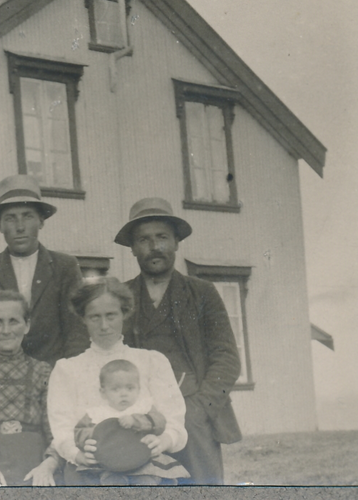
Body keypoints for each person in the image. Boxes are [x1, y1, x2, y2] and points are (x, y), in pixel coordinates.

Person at [115, 197, 243, 484]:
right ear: (133, 248)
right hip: (138, 418)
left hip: (193, 416)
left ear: (176, 242)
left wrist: (200, 409)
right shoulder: (120, 297)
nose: (154, 246)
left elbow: (227, 358)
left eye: (162, 237)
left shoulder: (203, 293)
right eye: (144, 239)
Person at [46, 278, 188, 486]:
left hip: (147, 468)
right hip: (90, 471)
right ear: (83, 318)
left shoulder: (151, 361)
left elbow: (174, 421)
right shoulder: (67, 369)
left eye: (111, 315)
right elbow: (61, 429)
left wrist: (162, 441)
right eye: (95, 317)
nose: (104, 325)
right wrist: (77, 455)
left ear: (124, 313)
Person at [0, 174, 90, 363]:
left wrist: (65, 376)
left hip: (53, 378)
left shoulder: (65, 266)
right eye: (11, 218)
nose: (20, 227)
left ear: (41, 221)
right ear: (0, 225)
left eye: (28, 216)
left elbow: (77, 332)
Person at [0, 289, 59, 486]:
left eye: (14, 321)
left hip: (34, 463)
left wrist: (49, 465)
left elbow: (55, 431)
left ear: (27, 325)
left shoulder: (43, 371)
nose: (6, 330)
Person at [70, 359, 189, 485]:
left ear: (138, 389)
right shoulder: (97, 413)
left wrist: (137, 421)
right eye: (115, 389)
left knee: (146, 481)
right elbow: (79, 432)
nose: (123, 394)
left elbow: (160, 422)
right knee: (110, 482)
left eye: (130, 388)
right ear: (103, 393)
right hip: (110, 463)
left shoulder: (143, 408)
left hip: (143, 460)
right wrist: (96, 433)